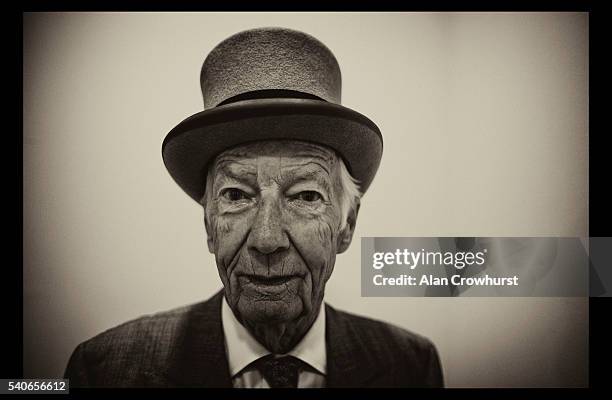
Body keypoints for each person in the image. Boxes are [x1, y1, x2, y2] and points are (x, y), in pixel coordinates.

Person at [64, 27, 444, 388]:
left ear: (347, 225)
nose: (266, 238)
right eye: (236, 195)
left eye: (306, 196)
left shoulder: (410, 365)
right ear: (209, 223)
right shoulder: (103, 372)